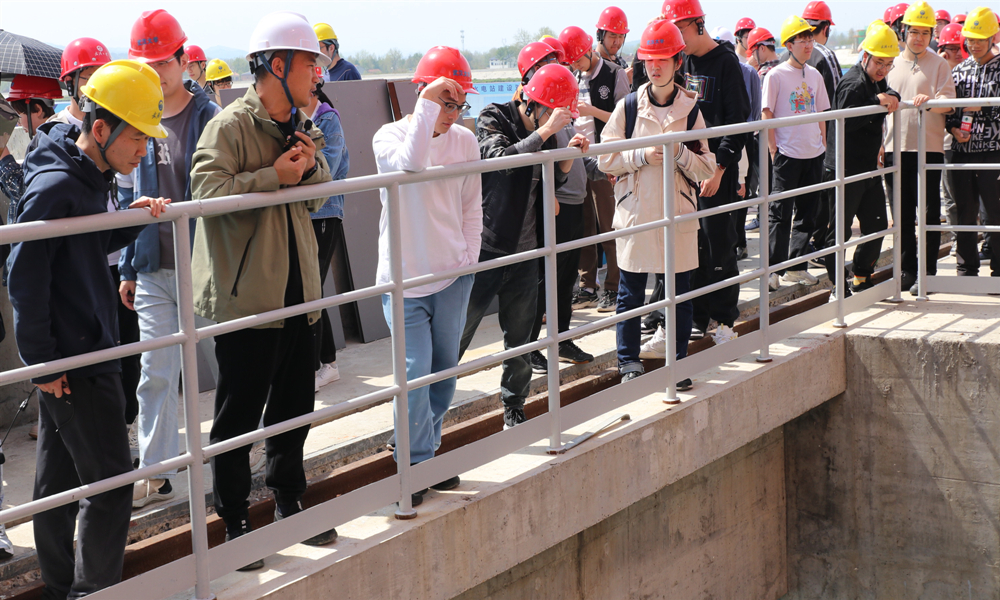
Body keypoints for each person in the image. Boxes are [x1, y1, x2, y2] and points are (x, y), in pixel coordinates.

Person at [7, 59, 170, 599]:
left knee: (56, 487)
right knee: (113, 485)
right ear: (100, 129)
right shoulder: (59, 185)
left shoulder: (84, 175)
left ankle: (61, 589)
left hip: (74, 351)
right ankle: (91, 592)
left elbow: (80, 247)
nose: (144, 149)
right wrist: (43, 361)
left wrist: (128, 219)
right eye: (137, 137)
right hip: (76, 358)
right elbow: (23, 274)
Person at [190, 11, 337, 569]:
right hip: (249, 299)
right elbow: (205, 193)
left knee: (295, 406)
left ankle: (288, 500)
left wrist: (307, 168)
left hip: (299, 291)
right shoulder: (228, 126)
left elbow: (319, 193)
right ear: (277, 65)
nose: (317, 74)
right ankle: (234, 521)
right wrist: (275, 176)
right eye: (308, 64)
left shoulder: (302, 124)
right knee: (239, 415)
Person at [119, 9, 222, 510]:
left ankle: (238, 452)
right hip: (153, 266)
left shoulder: (209, 116)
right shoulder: (137, 113)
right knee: (155, 371)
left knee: (228, 362)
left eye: (164, 61)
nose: (156, 72)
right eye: (147, 63)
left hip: (205, 266)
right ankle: (156, 472)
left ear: (183, 60)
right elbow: (129, 193)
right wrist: (127, 266)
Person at [372, 46, 481, 506]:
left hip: (453, 276)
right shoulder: (389, 137)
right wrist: (428, 104)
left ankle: (425, 449)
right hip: (404, 280)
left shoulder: (466, 141)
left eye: (459, 104)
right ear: (421, 94)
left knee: (444, 375)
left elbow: (471, 205)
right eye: (445, 102)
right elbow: (411, 164)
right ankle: (415, 464)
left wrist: (469, 258)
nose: (452, 114)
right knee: (414, 374)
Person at [460, 64, 587, 429]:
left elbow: (547, 181)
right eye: (553, 114)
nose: (556, 124)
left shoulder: (548, 134)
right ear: (534, 104)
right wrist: (546, 131)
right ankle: (424, 410)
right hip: (487, 247)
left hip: (527, 251)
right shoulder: (493, 117)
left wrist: (566, 157)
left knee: (520, 341)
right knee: (457, 335)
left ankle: (514, 406)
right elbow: (500, 161)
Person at [600, 19, 716, 392]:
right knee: (630, 292)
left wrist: (679, 152)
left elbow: (706, 168)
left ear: (677, 61)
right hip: (636, 211)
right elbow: (605, 159)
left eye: (662, 59)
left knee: (678, 294)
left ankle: (676, 363)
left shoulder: (691, 110)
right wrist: (640, 156)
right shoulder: (628, 108)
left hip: (677, 212)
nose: (655, 66)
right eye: (649, 59)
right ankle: (628, 361)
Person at [663, 0, 749, 345]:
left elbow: (738, 121)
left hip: (716, 172)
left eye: (679, 30)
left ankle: (725, 319)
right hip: (687, 171)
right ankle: (695, 318)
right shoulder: (682, 62)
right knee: (690, 246)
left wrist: (720, 169)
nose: (676, 38)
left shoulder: (726, 62)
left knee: (719, 245)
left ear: (698, 24)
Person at [520, 44, 600, 374]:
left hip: (573, 204)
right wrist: (548, 192)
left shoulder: (561, 111)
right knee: (543, 281)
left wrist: (602, 165)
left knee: (565, 279)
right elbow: (530, 162)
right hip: (554, 207)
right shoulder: (537, 115)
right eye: (547, 64)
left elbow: (575, 159)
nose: (556, 68)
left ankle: (561, 337)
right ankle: (529, 347)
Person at [822, 21, 901, 292]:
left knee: (877, 224)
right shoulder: (853, 84)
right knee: (840, 231)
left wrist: (889, 96)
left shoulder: (875, 80)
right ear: (865, 56)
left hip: (867, 167)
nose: (883, 69)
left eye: (888, 64)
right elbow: (844, 121)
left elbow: (889, 92)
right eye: (879, 62)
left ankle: (861, 275)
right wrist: (877, 102)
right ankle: (838, 285)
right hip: (844, 168)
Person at [884, 1, 956, 295]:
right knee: (901, 214)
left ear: (931, 35)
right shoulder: (890, 64)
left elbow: (949, 103)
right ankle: (906, 270)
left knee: (928, 212)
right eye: (914, 32)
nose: (919, 38)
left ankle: (927, 271)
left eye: (925, 33)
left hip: (929, 148)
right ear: (904, 31)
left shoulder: (939, 64)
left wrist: (932, 102)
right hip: (895, 147)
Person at [560, 25, 629, 314]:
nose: (575, 65)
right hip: (578, 159)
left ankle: (614, 286)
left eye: (577, 60)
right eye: (571, 62)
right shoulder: (574, 75)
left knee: (609, 225)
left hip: (605, 159)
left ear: (589, 50)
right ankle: (587, 286)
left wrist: (591, 112)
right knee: (584, 227)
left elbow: (626, 117)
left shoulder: (614, 74)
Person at [761, 16, 830, 292]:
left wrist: (824, 144)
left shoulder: (815, 74)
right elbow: (767, 114)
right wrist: (773, 150)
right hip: (787, 154)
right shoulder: (775, 75)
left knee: (807, 214)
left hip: (814, 153)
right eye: (802, 40)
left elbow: (822, 112)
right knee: (780, 214)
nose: (808, 44)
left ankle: (796, 266)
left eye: (810, 38)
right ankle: (773, 270)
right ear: (789, 45)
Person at [946, 7, 1000, 277]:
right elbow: (948, 113)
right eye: (970, 39)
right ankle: (966, 269)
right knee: (964, 212)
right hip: (962, 151)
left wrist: (986, 108)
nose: (974, 45)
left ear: (993, 38)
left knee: (996, 212)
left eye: (980, 39)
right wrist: (954, 129)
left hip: (994, 152)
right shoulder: (958, 71)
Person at [306, 80, 350, 392]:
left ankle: (324, 365)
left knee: (311, 289)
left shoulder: (327, 119)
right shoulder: (294, 118)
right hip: (302, 214)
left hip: (323, 213)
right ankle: (325, 362)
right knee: (309, 290)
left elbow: (327, 170)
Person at [796, 1, 842, 261]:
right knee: (825, 193)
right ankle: (819, 244)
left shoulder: (791, 55)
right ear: (825, 28)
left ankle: (803, 248)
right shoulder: (824, 54)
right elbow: (838, 102)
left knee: (802, 197)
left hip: (796, 141)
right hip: (824, 139)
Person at [937, 22, 964, 231]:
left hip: (970, 143)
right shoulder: (936, 72)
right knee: (952, 199)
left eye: (960, 47)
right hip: (945, 143)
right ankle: (957, 240)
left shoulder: (970, 73)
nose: (958, 53)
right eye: (952, 48)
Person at [596, 6, 631, 73]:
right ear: (600, 35)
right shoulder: (592, 66)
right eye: (613, 35)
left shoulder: (621, 63)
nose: (617, 42)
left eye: (621, 36)